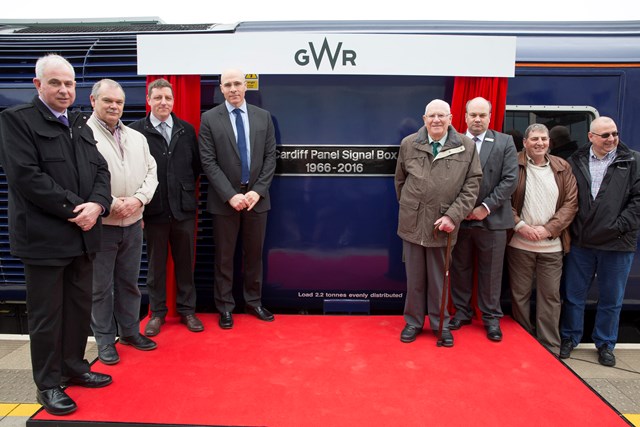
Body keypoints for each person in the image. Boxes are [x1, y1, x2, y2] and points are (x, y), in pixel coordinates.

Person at [0, 54, 113, 415]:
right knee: (47, 316)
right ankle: (48, 384)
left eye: (68, 83)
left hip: (83, 237)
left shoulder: (80, 123)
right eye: (55, 83)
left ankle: (75, 366)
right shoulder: (17, 121)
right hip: (45, 240)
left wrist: (97, 204)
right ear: (38, 85)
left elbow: (101, 171)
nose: (64, 90)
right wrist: (75, 210)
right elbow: (26, 177)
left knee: (78, 309)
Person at [395, 99, 482, 347]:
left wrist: (452, 215)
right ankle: (412, 322)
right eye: (431, 116)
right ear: (424, 119)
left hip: (442, 225)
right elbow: (400, 182)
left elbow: (472, 186)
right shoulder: (409, 143)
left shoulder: (465, 146)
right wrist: (411, 207)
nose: (436, 120)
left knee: (439, 279)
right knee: (414, 278)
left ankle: (440, 325)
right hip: (412, 223)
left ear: (451, 118)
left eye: (441, 116)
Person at [87, 79, 159, 364]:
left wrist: (139, 200)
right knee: (100, 287)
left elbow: (151, 172)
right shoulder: (82, 135)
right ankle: (105, 341)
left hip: (133, 223)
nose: (114, 106)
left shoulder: (136, 137)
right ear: (94, 101)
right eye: (108, 101)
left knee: (129, 282)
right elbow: (81, 178)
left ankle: (129, 331)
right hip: (102, 226)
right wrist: (113, 204)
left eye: (118, 102)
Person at [199, 69, 277, 329]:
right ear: (221, 88)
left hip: (257, 199)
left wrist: (258, 190)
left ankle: (253, 302)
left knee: (254, 255)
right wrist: (230, 195)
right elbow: (208, 161)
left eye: (237, 84)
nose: (233, 89)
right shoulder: (209, 119)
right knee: (224, 257)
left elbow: (270, 158)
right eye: (228, 84)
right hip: (225, 201)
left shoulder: (263, 117)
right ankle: (225, 307)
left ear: (246, 86)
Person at [560, 116, 640, 367]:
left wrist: (617, 227)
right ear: (591, 137)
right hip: (582, 243)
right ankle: (570, 337)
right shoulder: (576, 161)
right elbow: (569, 198)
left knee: (611, 298)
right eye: (605, 135)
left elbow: (638, 202)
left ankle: (605, 344)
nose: (612, 139)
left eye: (614, 134)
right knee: (573, 295)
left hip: (617, 244)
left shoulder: (633, 161)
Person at [129, 78, 204, 336]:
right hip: (153, 210)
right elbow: (132, 172)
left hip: (183, 209)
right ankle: (157, 313)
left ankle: (187, 311)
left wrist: (181, 190)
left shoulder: (186, 129)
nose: (164, 103)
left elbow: (195, 167)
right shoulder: (135, 132)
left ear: (173, 101)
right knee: (155, 265)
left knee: (185, 263)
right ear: (148, 100)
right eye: (158, 98)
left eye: (168, 98)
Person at [449, 97, 518, 342]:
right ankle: (462, 312)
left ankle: (491, 318)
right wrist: (459, 210)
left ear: (490, 117)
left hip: (493, 219)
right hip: (460, 219)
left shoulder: (505, 141)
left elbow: (510, 180)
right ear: (465, 117)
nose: (478, 119)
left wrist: (485, 207)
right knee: (460, 268)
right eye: (473, 115)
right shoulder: (452, 141)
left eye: (482, 115)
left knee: (491, 272)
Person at [507, 124, 578, 355]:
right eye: (535, 139)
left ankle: (549, 349)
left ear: (550, 142)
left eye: (544, 139)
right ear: (525, 142)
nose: (540, 143)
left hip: (552, 246)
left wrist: (548, 229)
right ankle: (523, 344)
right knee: (520, 296)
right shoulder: (513, 164)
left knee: (550, 297)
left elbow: (571, 204)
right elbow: (502, 199)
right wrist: (520, 225)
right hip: (519, 243)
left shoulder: (562, 166)